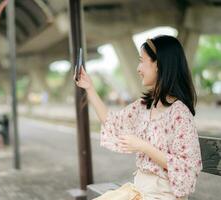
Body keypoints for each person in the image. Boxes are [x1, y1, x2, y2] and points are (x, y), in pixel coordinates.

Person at [74, 35, 202, 200]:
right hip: (140, 191)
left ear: (159, 64)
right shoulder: (144, 105)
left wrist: (143, 146)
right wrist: (89, 87)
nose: (138, 68)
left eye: (142, 61)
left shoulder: (179, 112)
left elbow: (186, 167)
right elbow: (113, 122)